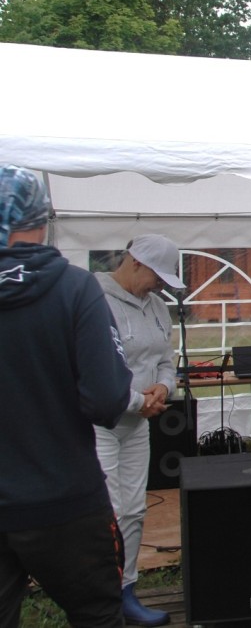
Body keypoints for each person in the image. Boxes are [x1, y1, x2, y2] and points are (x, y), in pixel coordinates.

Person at [0, 165, 132, 627]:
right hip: (65, 500)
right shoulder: (75, 288)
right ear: (43, 217)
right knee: (97, 617)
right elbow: (108, 399)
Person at [94, 234, 185, 627]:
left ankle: (126, 590)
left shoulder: (157, 308)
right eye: (158, 276)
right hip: (98, 424)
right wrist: (137, 400)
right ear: (134, 263)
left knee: (133, 510)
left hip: (137, 425)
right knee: (106, 512)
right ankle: (98, 596)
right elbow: (92, 368)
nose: (162, 285)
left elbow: (166, 358)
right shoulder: (92, 300)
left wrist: (164, 387)